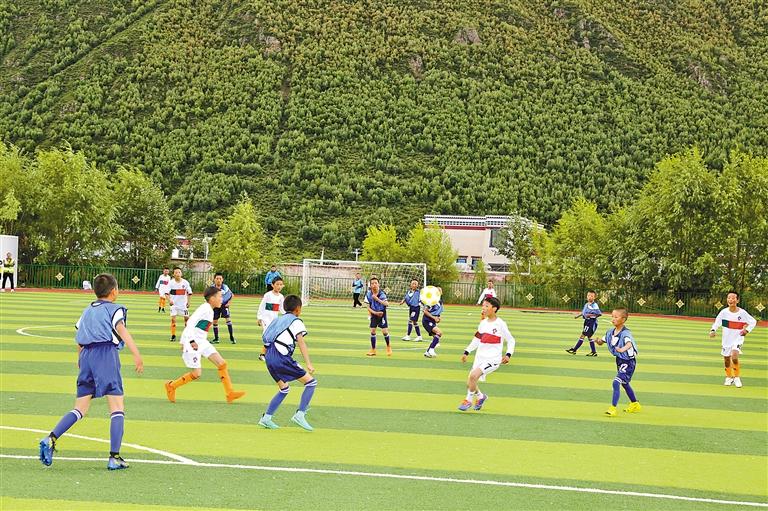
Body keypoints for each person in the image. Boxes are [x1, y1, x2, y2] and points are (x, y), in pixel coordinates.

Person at [38, 273, 144, 470]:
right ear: (114, 291)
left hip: (86, 356)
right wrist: (136, 354)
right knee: (117, 406)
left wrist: (80, 359)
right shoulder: (115, 309)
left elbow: (79, 337)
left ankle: (51, 438)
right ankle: (114, 457)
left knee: (80, 408)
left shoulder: (87, 310)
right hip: (105, 355)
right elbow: (122, 330)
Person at [164, 286, 246, 404]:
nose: (222, 299)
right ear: (212, 298)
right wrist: (190, 341)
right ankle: (171, 386)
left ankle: (230, 393)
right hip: (193, 342)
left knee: (222, 364)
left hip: (202, 341)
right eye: (220, 296)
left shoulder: (209, 309)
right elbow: (190, 322)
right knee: (197, 373)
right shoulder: (205, 308)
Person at [258, 295, 317, 431]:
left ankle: (266, 418)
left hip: (270, 357)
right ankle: (300, 415)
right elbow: (301, 343)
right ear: (298, 309)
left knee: (284, 389)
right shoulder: (296, 321)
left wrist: (262, 354)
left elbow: (266, 340)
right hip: (281, 357)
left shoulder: (277, 320)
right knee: (311, 383)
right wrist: (308, 363)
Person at [458, 297, 514, 411]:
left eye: (486, 306)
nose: (483, 308)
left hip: (492, 359)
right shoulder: (483, 323)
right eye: (483, 305)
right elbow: (477, 339)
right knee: (470, 383)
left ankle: (468, 401)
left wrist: (508, 354)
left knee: (473, 376)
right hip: (480, 358)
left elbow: (511, 340)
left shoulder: (500, 324)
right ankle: (481, 397)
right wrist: (467, 351)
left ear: (494, 308)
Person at [595, 308, 641, 417]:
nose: (613, 319)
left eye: (616, 317)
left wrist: (622, 349)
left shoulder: (625, 333)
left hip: (628, 362)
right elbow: (602, 341)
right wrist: (598, 341)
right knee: (624, 383)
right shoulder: (610, 332)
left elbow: (629, 344)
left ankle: (613, 408)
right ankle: (635, 404)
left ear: (623, 319)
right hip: (620, 360)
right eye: (612, 316)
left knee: (616, 382)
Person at [709, 291, 757, 388]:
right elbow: (717, 322)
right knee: (727, 359)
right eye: (729, 298)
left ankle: (737, 377)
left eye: (733, 298)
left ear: (737, 300)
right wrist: (713, 330)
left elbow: (753, 322)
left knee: (734, 357)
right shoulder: (724, 312)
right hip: (726, 339)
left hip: (738, 338)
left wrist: (747, 330)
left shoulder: (742, 313)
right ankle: (728, 377)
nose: (730, 300)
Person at [565, 290, 602, 356]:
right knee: (589, 337)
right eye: (588, 295)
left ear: (594, 297)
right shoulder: (586, 304)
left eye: (591, 296)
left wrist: (590, 315)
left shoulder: (594, 305)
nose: (589, 297)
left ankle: (574, 350)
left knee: (583, 335)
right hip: (587, 321)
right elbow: (583, 313)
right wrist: (578, 316)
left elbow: (599, 314)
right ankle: (594, 352)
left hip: (591, 322)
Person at [257, 276, 285, 361]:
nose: (279, 286)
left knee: (273, 337)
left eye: (281, 284)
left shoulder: (281, 296)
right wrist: (259, 317)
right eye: (277, 284)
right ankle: (263, 354)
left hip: (274, 319)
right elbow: (262, 306)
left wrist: (288, 315)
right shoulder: (268, 295)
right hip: (265, 319)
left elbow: (282, 308)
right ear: (272, 285)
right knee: (269, 336)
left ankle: (265, 354)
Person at [366, 277, 391, 356]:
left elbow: (387, 304)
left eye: (375, 283)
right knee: (372, 331)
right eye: (372, 283)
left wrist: (377, 299)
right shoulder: (368, 294)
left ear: (378, 284)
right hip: (374, 313)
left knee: (385, 332)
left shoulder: (382, 294)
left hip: (382, 313)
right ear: (370, 285)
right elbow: (368, 307)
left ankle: (388, 346)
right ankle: (373, 349)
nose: (374, 285)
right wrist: (374, 313)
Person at [166, 267, 192, 342]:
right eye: (176, 272)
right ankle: (173, 335)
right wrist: (169, 301)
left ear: (181, 274)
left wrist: (188, 302)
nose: (178, 274)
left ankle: (187, 336)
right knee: (173, 320)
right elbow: (166, 293)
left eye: (179, 272)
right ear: (173, 274)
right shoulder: (171, 283)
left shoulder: (185, 282)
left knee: (187, 319)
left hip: (183, 305)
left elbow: (189, 293)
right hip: (174, 305)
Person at [211, 273, 236, 344]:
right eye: (217, 278)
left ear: (222, 280)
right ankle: (216, 338)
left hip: (224, 305)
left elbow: (232, 295)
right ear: (214, 279)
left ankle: (231, 337)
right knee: (215, 321)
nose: (218, 280)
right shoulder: (212, 287)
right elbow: (208, 296)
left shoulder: (225, 287)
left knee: (228, 320)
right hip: (216, 305)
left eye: (220, 279)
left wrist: (229, 303)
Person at [422, 293, 444, 358]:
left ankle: (427, 352)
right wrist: (434, 318)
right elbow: (425, 311)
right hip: (427, 320)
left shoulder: (440, 302)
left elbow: (438, 313)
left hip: (432, 321)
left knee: (436, 338)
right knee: (439, 332)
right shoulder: (431, 301)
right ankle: (431, 350)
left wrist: (438, 318)